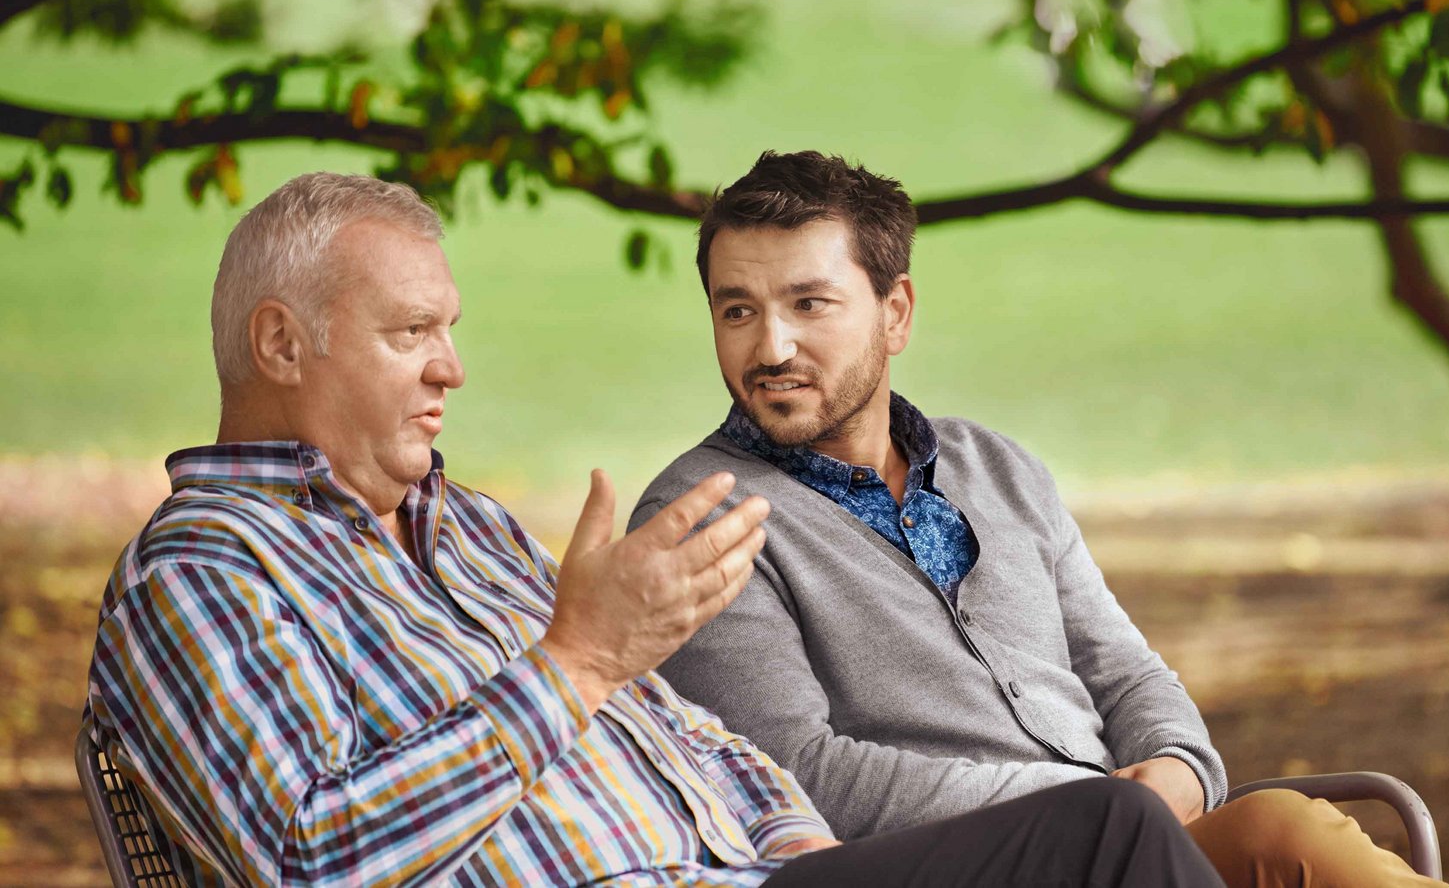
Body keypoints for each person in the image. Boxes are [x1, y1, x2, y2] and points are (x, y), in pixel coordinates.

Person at [86, 171, 1224, 886]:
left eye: (450, 328)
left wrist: (807, 857)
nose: (453, 367)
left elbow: (705, 745)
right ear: (283, 346)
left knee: (1176, 840)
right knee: (1109, 840)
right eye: (410, 333)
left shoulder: (466, 529)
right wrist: (573, 662)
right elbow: (306, 859)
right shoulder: (199, 573)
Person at [633, 151, 1449, 887]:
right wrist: (1088, 808)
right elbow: (794, 774)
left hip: (1126, 851)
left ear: (896, 312)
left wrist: (1178, 769)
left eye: (809, 304)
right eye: (736, 311)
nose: (770, 347)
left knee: (1285, 829)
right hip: (955, 872)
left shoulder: (998, 468)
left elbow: (1125, 672)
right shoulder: (701, 516)